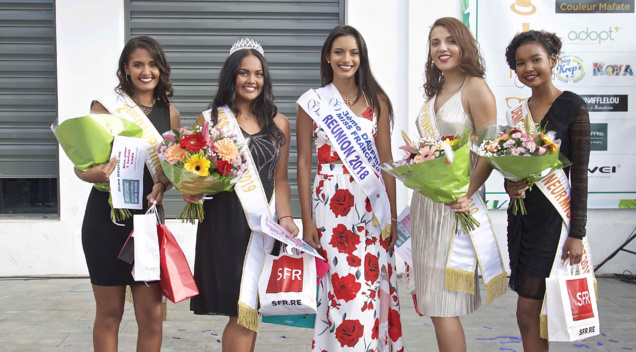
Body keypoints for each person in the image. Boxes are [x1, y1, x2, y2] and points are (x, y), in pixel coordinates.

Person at [182, 38, 298, 352]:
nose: (251, 80)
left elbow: (281, 179)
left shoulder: (280, 124)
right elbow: (192, 174)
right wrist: (190, 190)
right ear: (231, 75)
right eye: (244, 73)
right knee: (240, 310)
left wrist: (287, 218)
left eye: (258, 73)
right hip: (226, 225)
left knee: (252, 309)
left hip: (265, 226)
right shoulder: (211, 121)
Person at [296, 25, 404, 351]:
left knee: (369, 286)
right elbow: (303, 162)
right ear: (328, 57)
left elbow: (386, 161)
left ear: (362, 57)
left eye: (354, 53)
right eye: (339, 52)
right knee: (339, 288)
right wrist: (307, 221)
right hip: (329, 204)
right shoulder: (312, 102)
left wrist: (394, 217)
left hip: (372, 206)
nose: (347, 59)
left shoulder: (377, 101)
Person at [76, 35, 181, 351]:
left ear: (161, 69)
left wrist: (164, 185)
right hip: (106, 219)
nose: (145, 71)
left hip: (147, 221)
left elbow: (171, 172)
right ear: (126, 68)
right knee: (110, 313)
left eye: (152, 64)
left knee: (151, 315)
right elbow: (82, 167)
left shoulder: (170, 114)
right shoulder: (105, 106)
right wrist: (92, 174)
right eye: (138, 64)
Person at [409, 17, 501, 352]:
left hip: (454, 205)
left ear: (463, 45)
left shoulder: (475, 88)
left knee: (443, 304)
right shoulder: (437, 91)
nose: (442, 48)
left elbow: (491, 151)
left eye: (450, 41)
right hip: (428, 206)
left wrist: (467, 193)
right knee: (433, 303)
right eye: (435, 42)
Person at [504, 30, 589, 352]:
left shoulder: (572, 107)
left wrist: (577, 233)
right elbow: (510, 166)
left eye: (536, 59)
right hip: (523, 220)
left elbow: (579, 175)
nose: (528, 68)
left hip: (554, 222)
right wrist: (510, 185)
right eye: (520, 63)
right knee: (529, 312)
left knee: (528, 310)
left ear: (553, 60)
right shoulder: (518, 112)